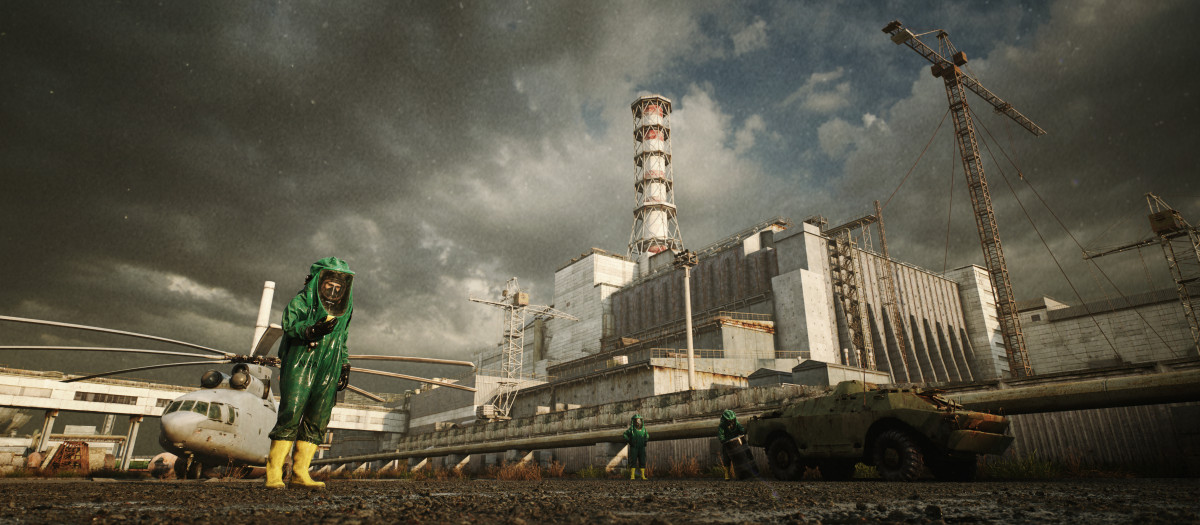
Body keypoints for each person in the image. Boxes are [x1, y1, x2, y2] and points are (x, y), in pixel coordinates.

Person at [264, 257, 355, 489]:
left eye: (338, 286)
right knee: (291, 412)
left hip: (330, 365)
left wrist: (344, 364)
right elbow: (289, 325)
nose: (333, 290)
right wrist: (311, 330)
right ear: (318, 282)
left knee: (319, 416)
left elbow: (342, 337)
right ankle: (274, 473)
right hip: (301, 360)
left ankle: (300, 472)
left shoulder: (344, 310)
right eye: (329, 285)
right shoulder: (302, 301)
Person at [718, 409, 746, 480]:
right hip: (727, 444)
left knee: (738, 459)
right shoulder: (722, 426)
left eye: (732, 420)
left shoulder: (737, 424)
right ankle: (727, 474)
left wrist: (742, 431)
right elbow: (721, 434)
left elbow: (741, 429)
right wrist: (723, 439)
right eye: (729, 420)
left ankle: (739, 475)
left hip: (736, 443)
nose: (731, 421)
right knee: (726, 459)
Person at [622, 414, 649, 480]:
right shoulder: (631, 430)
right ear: (633, 421)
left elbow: (647, 435)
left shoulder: (644, 430)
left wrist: (645, 440)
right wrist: (629, 440)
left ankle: (642, 475)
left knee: (642, 460)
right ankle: (632, 475)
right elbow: (625, 434)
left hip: (641, 447)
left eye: (639, 421)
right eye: (636, 421)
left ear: (641, 421)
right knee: (633, 460)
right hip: (634, 447)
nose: (638, 422)